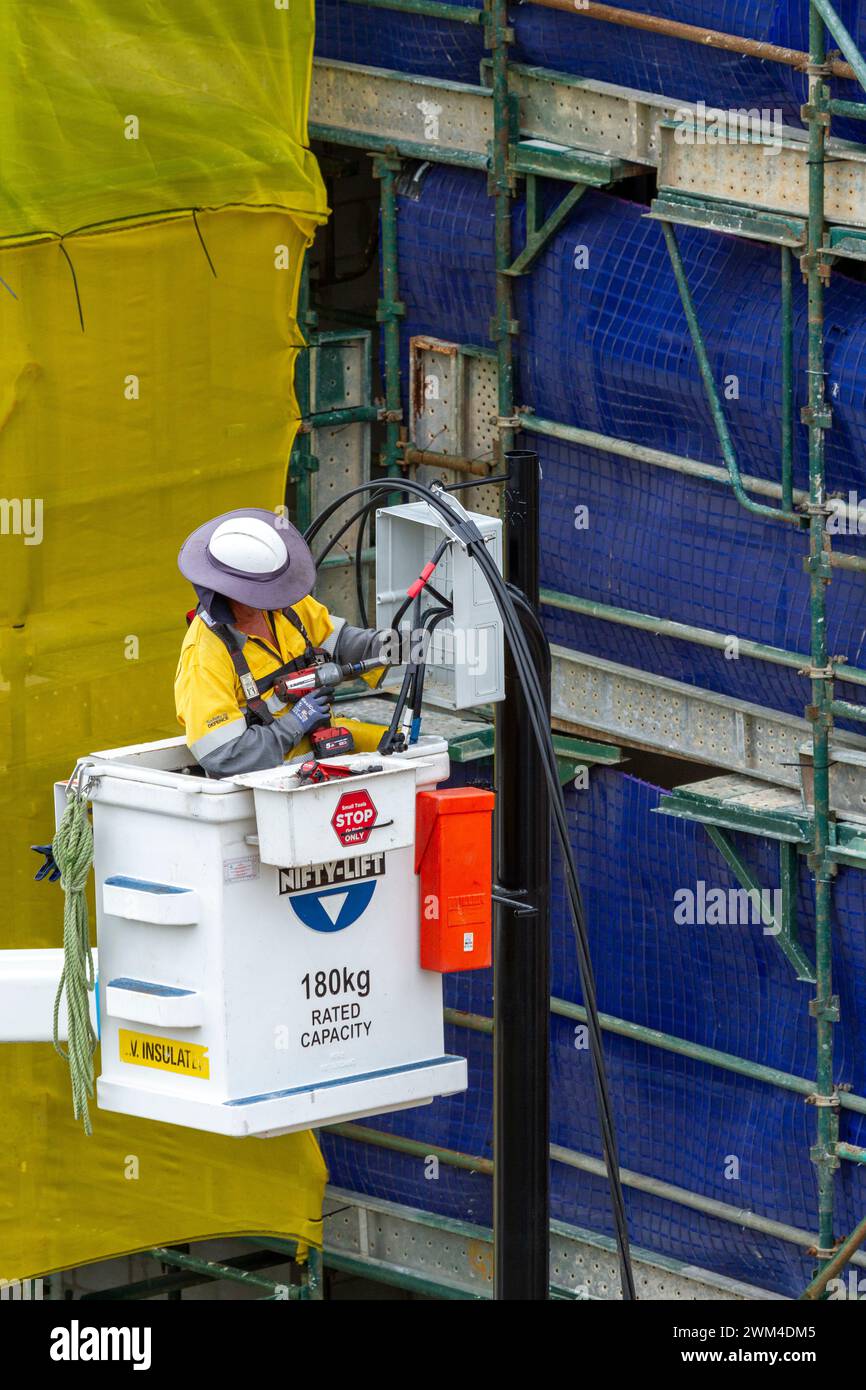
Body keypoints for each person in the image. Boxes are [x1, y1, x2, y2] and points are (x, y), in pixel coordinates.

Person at [175, 508, 389, 777]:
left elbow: (338, 642)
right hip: (265, 800)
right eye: (264, 591)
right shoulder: (204, 656)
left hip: (322, 775)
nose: (275, 597)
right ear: (229, 591)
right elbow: (224, 756)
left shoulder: (284, 605)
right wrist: (295, 722)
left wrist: (390, 646)